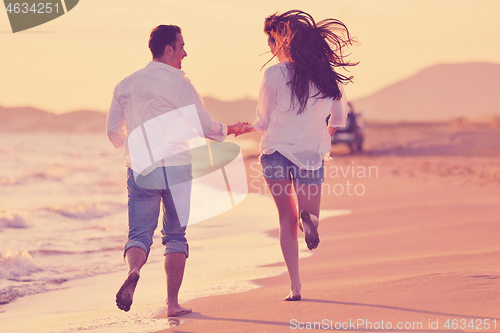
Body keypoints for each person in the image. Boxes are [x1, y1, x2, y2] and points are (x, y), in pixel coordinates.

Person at [107, 25, 244, 316]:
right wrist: (230, 129)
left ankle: (134, 271)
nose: (185, 52)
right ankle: (172, 304)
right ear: (168, 50)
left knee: (139, 235)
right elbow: (206, 127)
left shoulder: (126, 84)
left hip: (142, 168)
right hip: (177, 168)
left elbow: (112, 131)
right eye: (181, 46)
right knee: (175, 236)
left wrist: (130, 143)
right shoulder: (182, 84)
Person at [236, 10, 357, 301]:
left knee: (285, 220)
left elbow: (263, 122)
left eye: (270, 42)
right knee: (308, 216)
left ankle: (295, 287)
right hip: (310, 155)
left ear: (280, 42)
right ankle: (309, 221)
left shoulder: (274, 74)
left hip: (275, 154)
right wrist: (320, 135)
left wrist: (245, 128)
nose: (269, 49)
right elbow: (338, 117)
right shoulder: (327, 75)